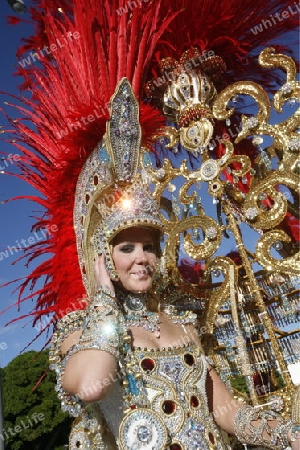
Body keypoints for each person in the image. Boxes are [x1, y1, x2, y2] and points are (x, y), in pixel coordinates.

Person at [49, 79, 300, 450]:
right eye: (127, 248)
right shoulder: (79, 330)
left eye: (149, 247)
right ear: (102, 255)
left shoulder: (183, 321)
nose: (141, 259)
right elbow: (90, 384)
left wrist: (287, 435)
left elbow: (226, 410)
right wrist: (103, 300)